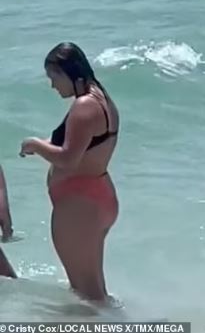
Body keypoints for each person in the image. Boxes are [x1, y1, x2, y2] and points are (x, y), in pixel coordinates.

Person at [20, 43, 119, 301]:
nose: (53, 86)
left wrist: (34, 144)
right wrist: (45, 144)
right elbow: (79, 147)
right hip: (96, 197)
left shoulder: (84, 106)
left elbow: (68, 159)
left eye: (55, 78)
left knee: (85, 294)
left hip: (79, 205)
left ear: (69, 72)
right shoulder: (101, 98)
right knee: (94, 292)